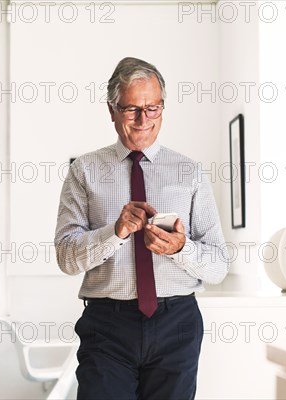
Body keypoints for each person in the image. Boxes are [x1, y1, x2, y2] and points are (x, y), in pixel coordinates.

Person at [54, 57, 229, 399]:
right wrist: (114, 232)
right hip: (107, 325)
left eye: (153, 108)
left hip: (176, 321)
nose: (143, 120)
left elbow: (219, 266)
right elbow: (66, 257)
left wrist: (180, 248)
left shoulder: (188, 171)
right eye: (132, 108)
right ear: (112, 110)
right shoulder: (85, 171)